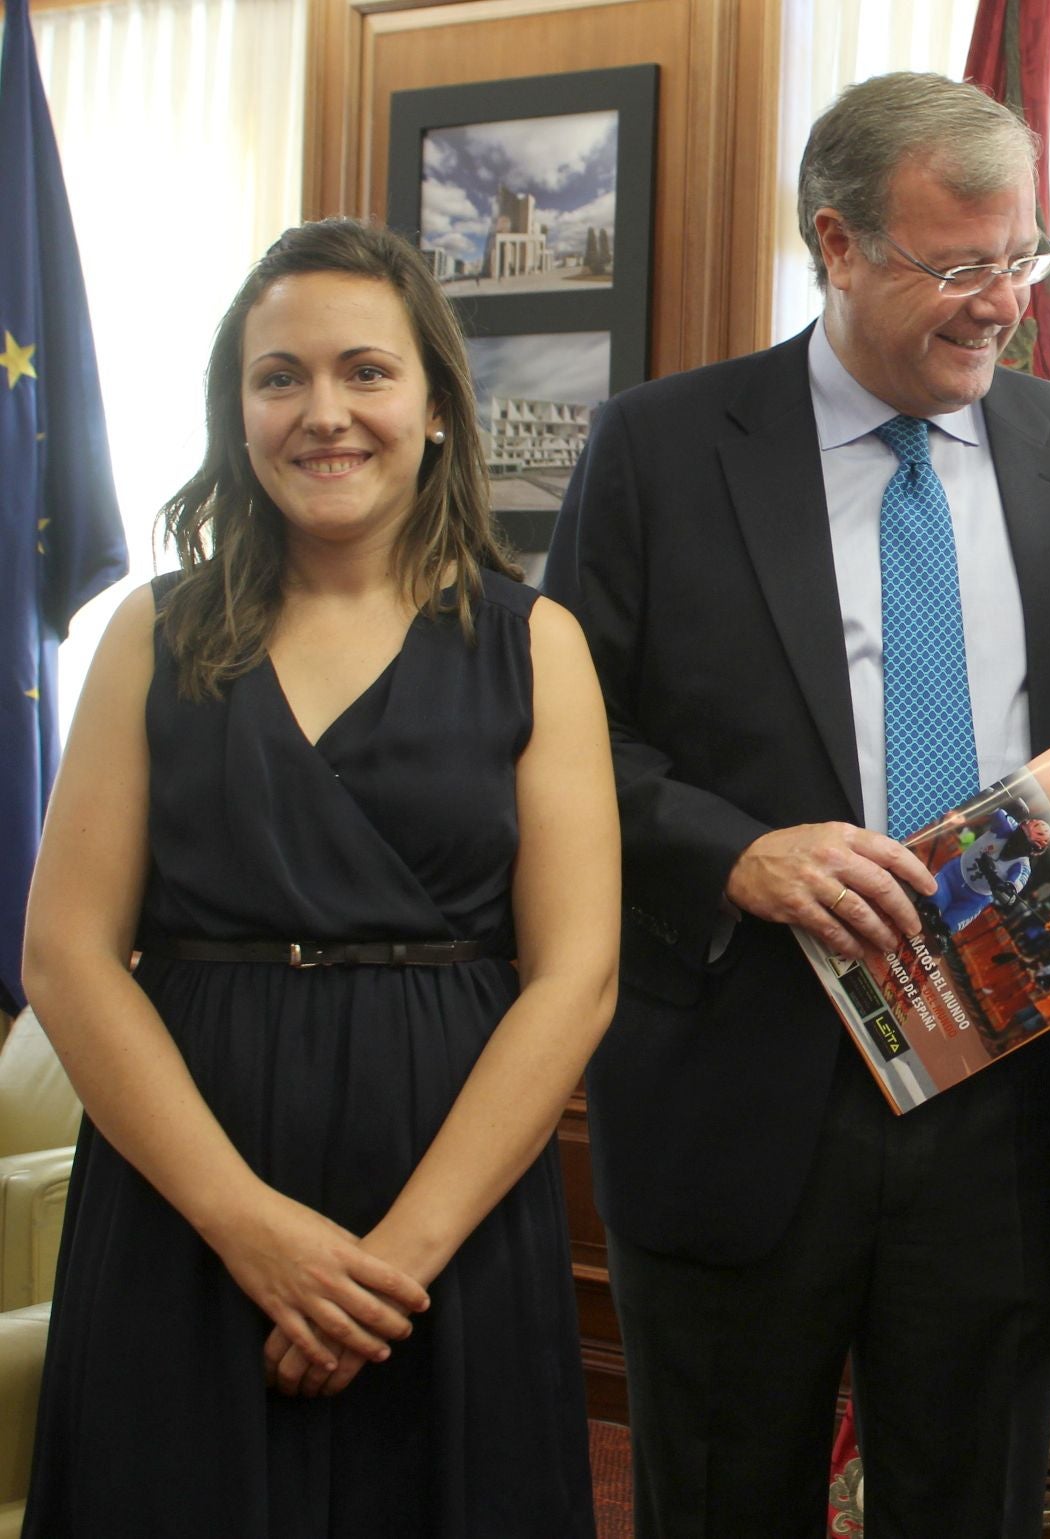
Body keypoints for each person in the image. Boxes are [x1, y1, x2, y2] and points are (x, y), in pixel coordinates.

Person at [542, 70, 1050, 1538]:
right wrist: (735, 851)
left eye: (1021, 259)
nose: (998, 302)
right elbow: (556, 746)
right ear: (833, 242)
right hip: (740, 1097)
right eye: (956, 266)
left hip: (1007, 1107)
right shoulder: (660, 449)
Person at [17, 218, 619, 1535]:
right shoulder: (154, 632)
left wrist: (390, 1263)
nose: (324, 411)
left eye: (365, 371)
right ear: (237, 412)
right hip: (188, 1196)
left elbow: (574, 979)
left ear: (435, 408)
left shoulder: (538, 644)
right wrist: (250, 1229)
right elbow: (63, 953)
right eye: (278, 376)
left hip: (447, 1206)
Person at [927, 805, 1050, 938]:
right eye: (1019, 833)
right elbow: (992, 803)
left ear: (1032, 850)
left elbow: (1008, 896)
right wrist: (1003, 799)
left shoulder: (1022, 867)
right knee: (930, 907)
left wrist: (993, 877)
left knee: (943, 930)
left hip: (974, 899)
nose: (1016, 840)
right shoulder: (1006, 825)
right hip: (952, 875)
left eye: (1023, 841)